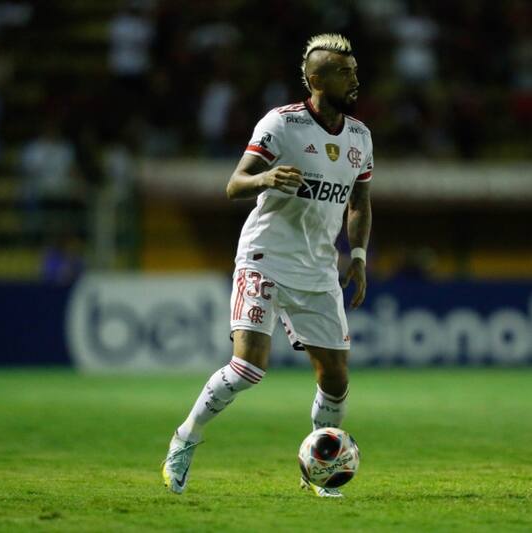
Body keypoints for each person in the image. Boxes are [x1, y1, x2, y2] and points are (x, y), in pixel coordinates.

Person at [162, 33, 373, 498]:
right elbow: (234, 184)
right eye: (345, 71)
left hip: (318, 268)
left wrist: (356, 258)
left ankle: (317, 471)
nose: (355, 77)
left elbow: (359, 200)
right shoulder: (281, 125)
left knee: (336, 380)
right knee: (248, 368)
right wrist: (266, 177)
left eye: (355, 69)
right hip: (265, 258)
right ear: (317, 79)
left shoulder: (360, 136)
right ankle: (185, 438)